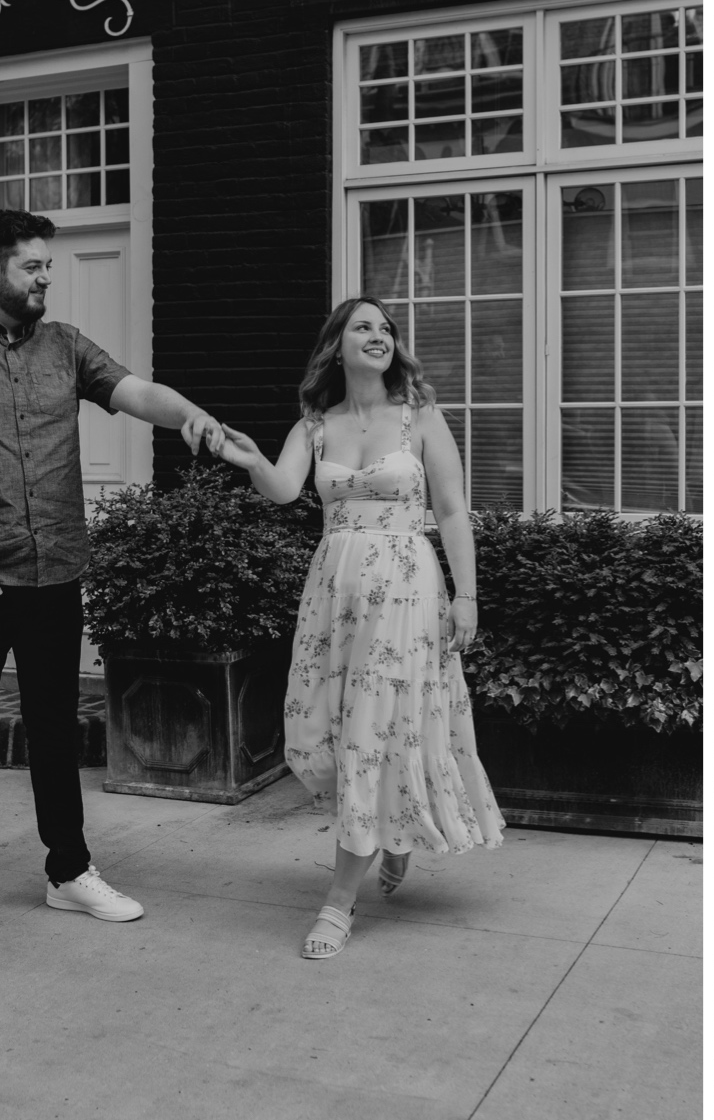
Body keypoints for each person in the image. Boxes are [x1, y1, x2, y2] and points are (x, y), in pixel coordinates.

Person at [0, 208, 226, 976]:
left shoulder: (65, 345)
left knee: (54, 728)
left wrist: (191, 416)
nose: (46, 277)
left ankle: (68, 872)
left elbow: (136, 392)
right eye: (33, 266)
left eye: (48, 266)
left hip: (56, 572)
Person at [214, 295, 503, 958]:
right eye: (362, 326)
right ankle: (390, 832)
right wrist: (249, 456)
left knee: (374, 731)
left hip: (406, 591)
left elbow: (453, 510)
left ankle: (339, 899)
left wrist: (468, 597)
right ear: (336, 346)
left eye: (385, 328)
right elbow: (284, 488)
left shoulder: (421, 419)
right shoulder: (315, 426)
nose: (377, 334)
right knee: (324, 729)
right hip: (333, 597)